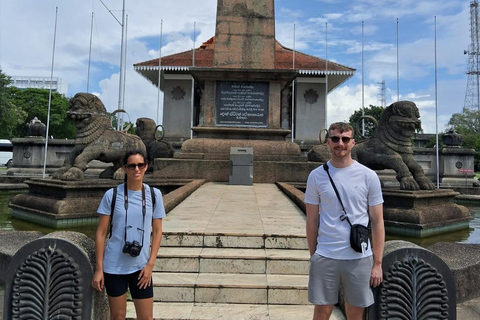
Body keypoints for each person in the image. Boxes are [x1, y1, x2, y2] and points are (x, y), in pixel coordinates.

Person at [305, 122, 385, 320]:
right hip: (326, 254)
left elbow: (377, 222)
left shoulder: (369, 176)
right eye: (335, 139)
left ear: (353, 143)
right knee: (322, 312)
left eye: (345, 139)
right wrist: (314, 254)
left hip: (359, 256)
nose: (340, 143)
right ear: (328, 143)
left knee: (356, 313)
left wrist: (377, 263)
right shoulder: (316, 176)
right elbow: (312, 220)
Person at [92, 149, 165, 320]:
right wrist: (99, 269)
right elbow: (101, 233)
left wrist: (150, 265)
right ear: (124, 168)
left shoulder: (154, 195)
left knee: (146, 317)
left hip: (141, 267)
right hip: (114, 266)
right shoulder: (112, 195)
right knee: (118, 316)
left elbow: (157, 231)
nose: (136, 169)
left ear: (146, 166)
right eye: (132, 166)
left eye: (141, 165)